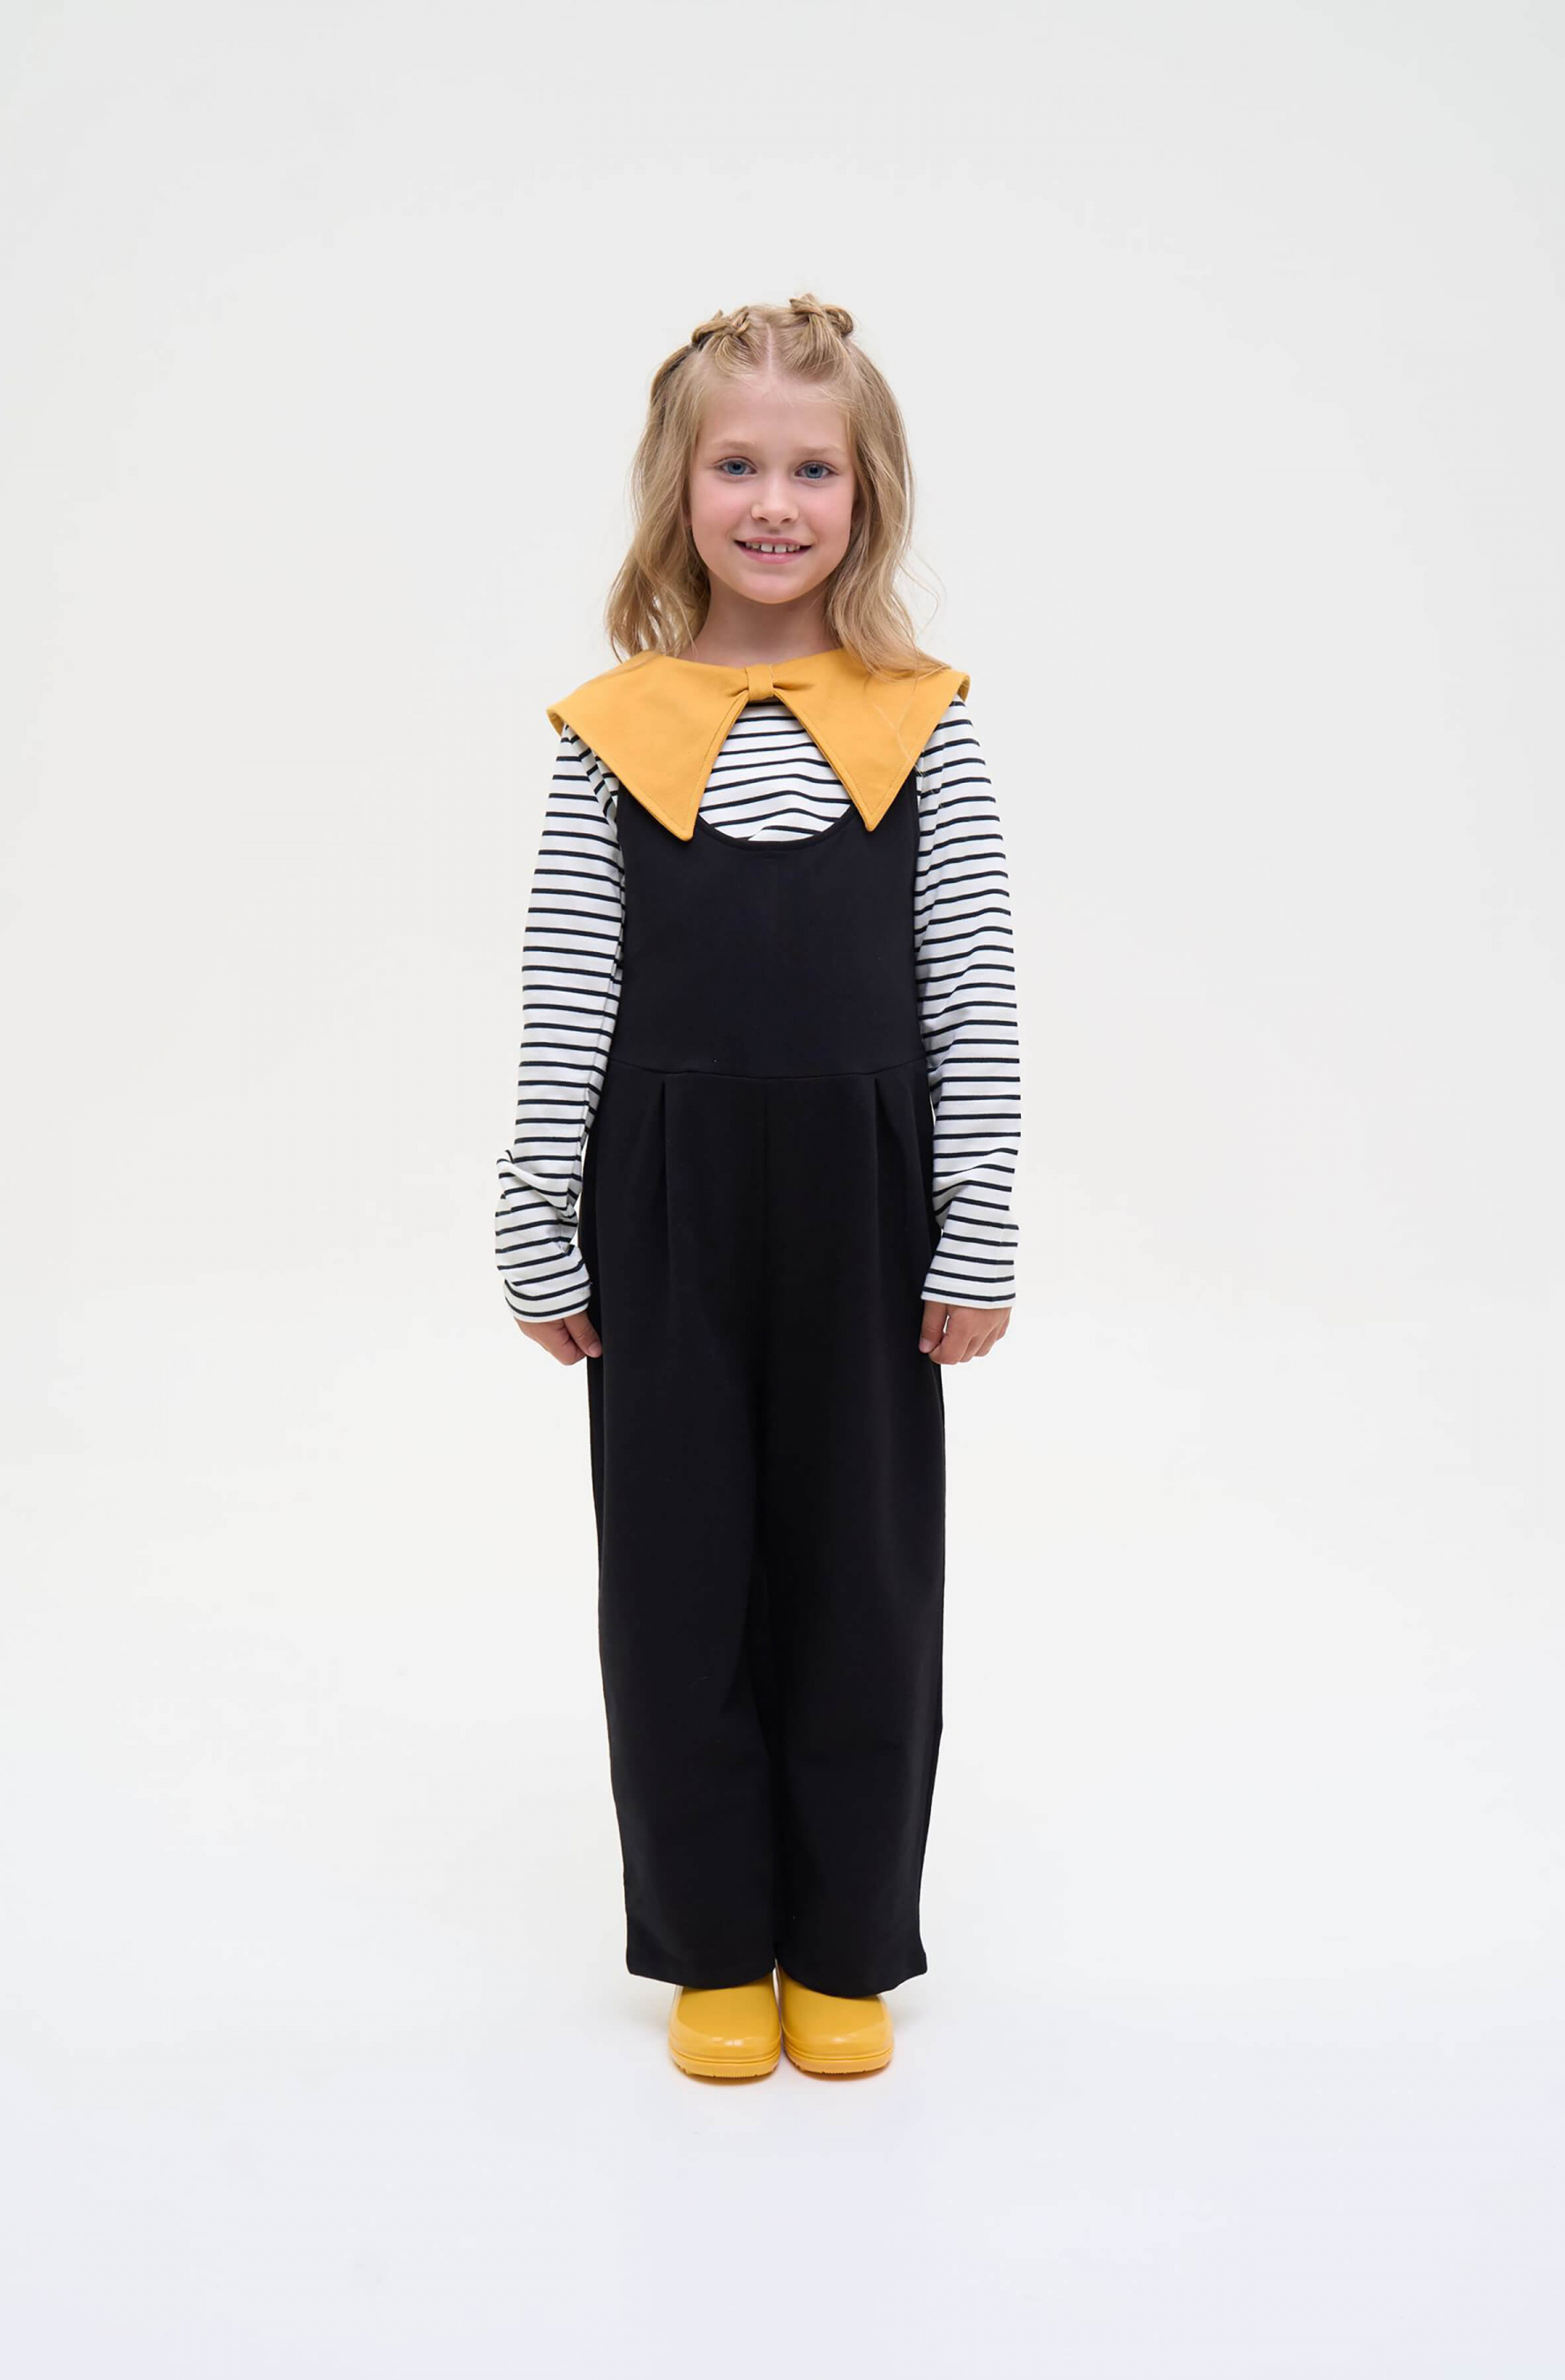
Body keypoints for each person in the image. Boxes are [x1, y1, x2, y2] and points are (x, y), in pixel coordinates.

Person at [495, 294, 1024, 2080]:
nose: (774, 502)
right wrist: (536, 1210)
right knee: (674, 1581)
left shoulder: (922, 725)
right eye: (736, 465)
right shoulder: (610, 731)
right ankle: (714, 1943)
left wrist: (979, 1217)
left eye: (814, 469)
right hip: (663, 1207)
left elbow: (970, 989)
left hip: (869, 1209)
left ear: (867, 496)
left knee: (860, 1581)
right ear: (678, 490)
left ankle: (845, 1944)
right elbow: (566, 990)